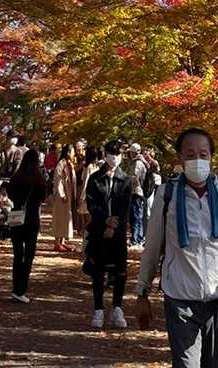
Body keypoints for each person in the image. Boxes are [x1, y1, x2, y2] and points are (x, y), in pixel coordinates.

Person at [136, 125, 218, 368]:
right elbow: (153, 245)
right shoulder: (166, 195)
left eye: (203, 154)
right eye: (190, 155)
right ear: (180, 158)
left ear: (211, 158)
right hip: (180, 297)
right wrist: (142, 292)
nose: (197, 160)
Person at [85, 138, 134, 329]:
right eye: (111, 154)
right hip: (98, 230)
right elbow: (91, 204)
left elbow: (125, 207)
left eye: (117, 154)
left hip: (118, 232)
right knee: (98, 270)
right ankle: (98, 309)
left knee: (120, 271)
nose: (114, 158)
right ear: (105, 155)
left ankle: (117, 307)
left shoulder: (126, 180)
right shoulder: (95, 179)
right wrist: (105, 220)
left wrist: (114, 225)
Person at [8, 146, 47, 303]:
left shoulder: (17, 176)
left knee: (17, 253)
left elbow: (10, 194)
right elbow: (43, 197)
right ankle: (21, 288)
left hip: (17, 215)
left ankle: (16, 286)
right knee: (29, 254)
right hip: (32, 217)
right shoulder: (39, 179)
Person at [51, 143, 79, 251]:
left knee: (66, 219)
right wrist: (62, 194)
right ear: (68, 152)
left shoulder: (69, 164)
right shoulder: (61, 164)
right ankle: (57, 243)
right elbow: (58, 180)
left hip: (69, 195)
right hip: (62, 196)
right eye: (72, 152)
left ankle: (62, 241)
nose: (74, 154)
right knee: (59, 218)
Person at [125, 142, 148, 246]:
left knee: (135, 216)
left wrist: (124, 180)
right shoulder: (136, 162)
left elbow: (134, 177)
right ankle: (138, 237)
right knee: (136, 216)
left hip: (136, 192)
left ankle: (136, 239)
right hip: (135, 192)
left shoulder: (138, 163)